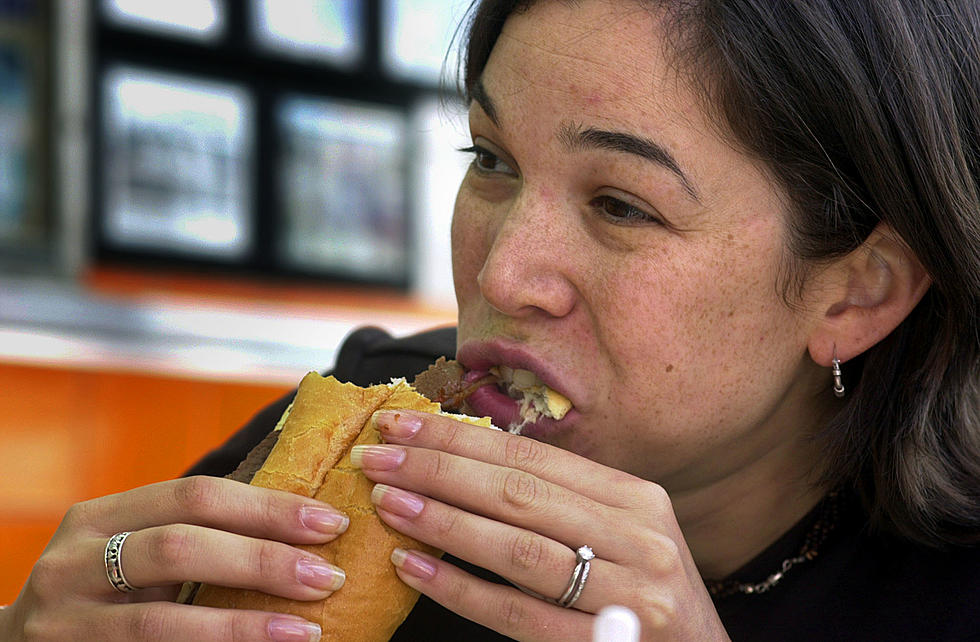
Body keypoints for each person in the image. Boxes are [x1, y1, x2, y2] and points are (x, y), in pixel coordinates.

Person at [3, 0, 979, 639]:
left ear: (856, 292)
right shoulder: (353, 430)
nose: (503, 271)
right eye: (490, 160)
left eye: (620, 205)